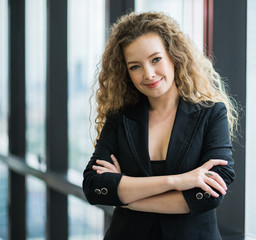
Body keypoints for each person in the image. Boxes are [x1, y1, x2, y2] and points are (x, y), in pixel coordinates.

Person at [82, 11, 238, 240]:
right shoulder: (120, 119)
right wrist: (178, 181)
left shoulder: (211, 114)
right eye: (135, 66)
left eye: (156, 59)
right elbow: (94, 186)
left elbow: (210, 194)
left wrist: (126, 196)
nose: (149, 74)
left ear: (173, 56)